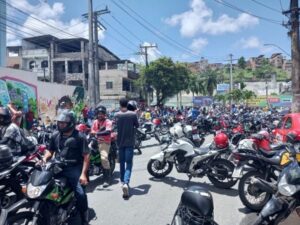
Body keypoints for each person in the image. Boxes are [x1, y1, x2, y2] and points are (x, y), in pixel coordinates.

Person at [42, 110, 90, 225]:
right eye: (59, 123)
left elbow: (86, 156)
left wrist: (83, 174)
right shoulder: (55, 135)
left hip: (74, 168)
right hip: (57, 166)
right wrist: (45, 158)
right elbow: (50, 150)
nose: (60, 125)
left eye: (63, 123)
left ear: (71, 123)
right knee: (43, 188)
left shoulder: (79, 137)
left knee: (81, 194)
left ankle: (84, 216)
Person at [115, 98, 139, 199]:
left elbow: (115, 126)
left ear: (120, 104)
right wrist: (137, 114)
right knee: (129, 163)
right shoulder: (132, 115)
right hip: (129, 143)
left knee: (122, 163)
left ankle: (122, 181)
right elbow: (137, 125)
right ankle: (126, 182)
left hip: (120, 143)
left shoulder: (117, 115)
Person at [91, 105, 112, 188]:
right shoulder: (95, 122)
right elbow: (92, 132)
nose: (100, 115)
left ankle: (107, 178)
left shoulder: (108, 122)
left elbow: (108, 132)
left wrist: (97, 134)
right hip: (95, 141)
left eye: (102, 113)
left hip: (105, 142)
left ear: (104, 114)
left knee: (103, 158)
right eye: (99, 114)